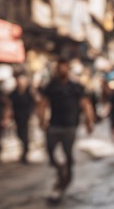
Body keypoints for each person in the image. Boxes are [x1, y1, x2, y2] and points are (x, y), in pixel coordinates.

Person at [38, 58, 95, 202]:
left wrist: (89, 122)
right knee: (50, 152)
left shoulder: (76, 87)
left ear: (68, 69)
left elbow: (86, 105)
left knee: (68, 155)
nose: (62, 70)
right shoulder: (51, 86)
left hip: (70, 126)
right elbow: (42, 104)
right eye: (60, 67)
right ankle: (60, 171)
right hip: (54, 125)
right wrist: (41, 120)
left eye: (64, 67)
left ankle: (65, 179)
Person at [9, 72, 37, 164]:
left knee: (25, 136)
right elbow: (9, 104)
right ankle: (24, 152)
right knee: (20, 135)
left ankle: (25, 153)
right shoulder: (14, 93)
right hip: (18, 117)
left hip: (27, 117)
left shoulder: (29, 92)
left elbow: (35, 102)